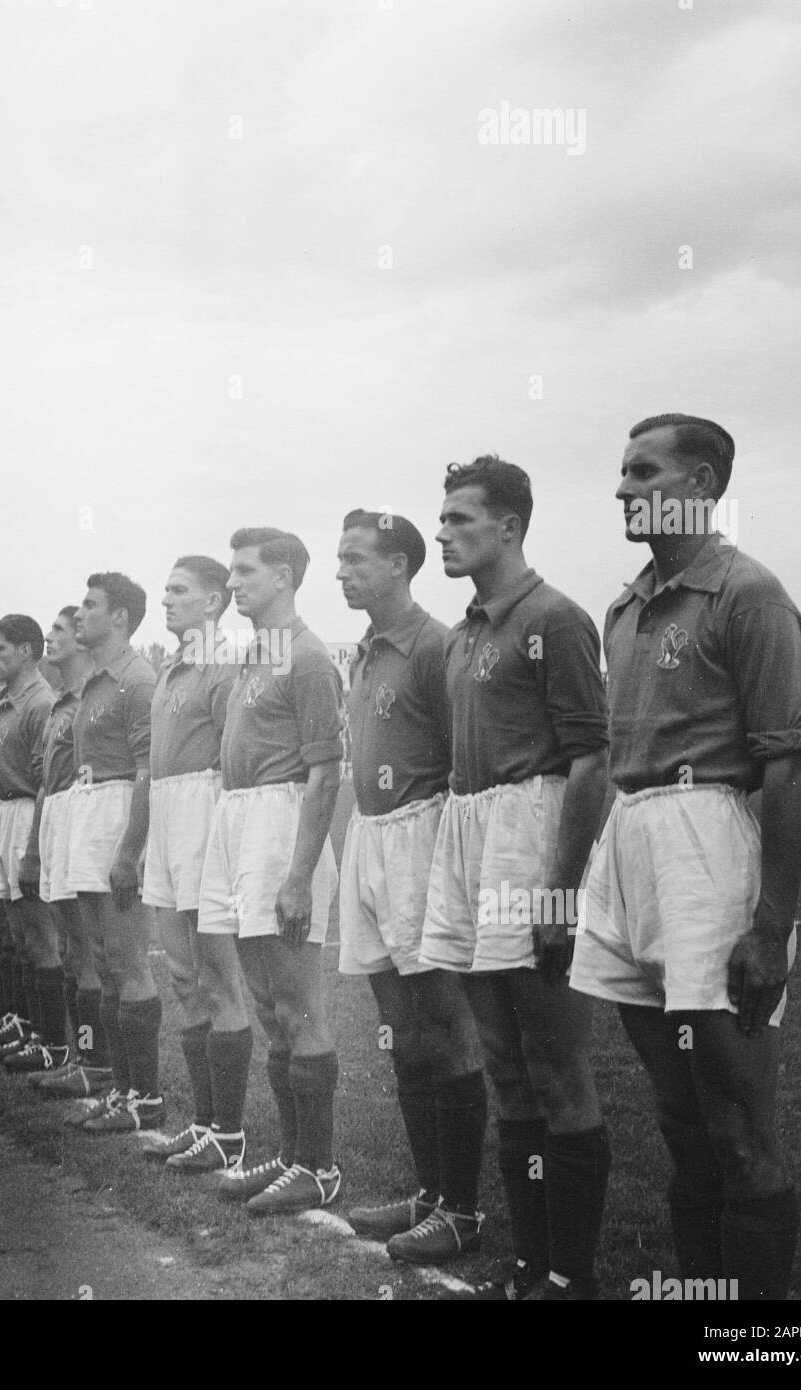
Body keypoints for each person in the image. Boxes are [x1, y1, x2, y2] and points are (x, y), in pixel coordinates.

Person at [570, 414, 801, 1301]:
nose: (625, 489)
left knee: (740, 1128)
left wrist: (770, 924)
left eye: (644, 472)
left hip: (706, 849)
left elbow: (786, 768)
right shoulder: (624, 607)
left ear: (703, 484)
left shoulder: (747, 593)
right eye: (622, 472)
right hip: (630, 842)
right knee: (681, 1123)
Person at [421, 456, 611, 1300]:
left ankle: (572, 1272)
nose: (443, 533)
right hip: (469, 834)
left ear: (509, 526)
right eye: (443, 518)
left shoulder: (557, 619)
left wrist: (560, 890)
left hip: (529, 837)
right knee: (504, 1067)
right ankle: (531, 1261)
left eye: (461, 519)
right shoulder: (465, 631)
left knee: (557, 1067)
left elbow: (591, 761)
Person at [334, 510, 490, 1262]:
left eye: (357, 559)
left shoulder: (436, 646)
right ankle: (428, 1194)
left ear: (398, 565)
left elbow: (463, 761)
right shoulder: (363, 652)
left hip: (422, 839)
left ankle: (461, 1209)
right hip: (370, 839)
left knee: (447, 1027)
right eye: (339, 558)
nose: (342, 571)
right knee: (401, 1033)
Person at [198, 528, 344, 1215]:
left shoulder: (310, 657)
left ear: (284, 576)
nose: (232, 585)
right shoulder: (256, 655)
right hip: (241, 821)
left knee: (298, 1004)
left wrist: (297, 876)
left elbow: (324, 775)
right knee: (267, 1010)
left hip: (282, 827)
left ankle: (319, 1166)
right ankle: (291, 1158)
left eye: (245, 571)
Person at [139, 557, 252, 1173]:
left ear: (213, 602)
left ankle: (230, 1133)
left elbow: (235, 756)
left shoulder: (226, 664)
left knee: (217, 977)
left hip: (205, 810)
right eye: (166, 589)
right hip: (166, 810)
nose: (167, 599)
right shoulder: (170, 666)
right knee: (182, 976)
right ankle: (205, 1121)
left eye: (179, 591)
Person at [65, 574, 162, 1133]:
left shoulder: (136, 680)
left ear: (121, 617)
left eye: (91, 605)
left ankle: (146, 1096)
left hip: (118, 810)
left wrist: (129, 850)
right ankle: (123, 1088)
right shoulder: (96, 681)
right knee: (102, 961)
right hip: (88, 809)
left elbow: (147, 772)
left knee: (127, 960)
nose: (81, 614)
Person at [0, 614, 65, 1057]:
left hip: (26, 815)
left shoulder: (41, 703)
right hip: (1, 814)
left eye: (0, 649)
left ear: (26, 651)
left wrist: (34, 849)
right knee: (13, 931)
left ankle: (53, 1043)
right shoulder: (5, 700)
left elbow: (45, 781)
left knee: (39, 933)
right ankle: (24, 1025)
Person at [20, 608, 114, 1097]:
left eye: (58, 630)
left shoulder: (91, 700)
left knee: (90, 951)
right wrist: (36, 847)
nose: (51, 638)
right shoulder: (61, 704)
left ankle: (98, 1064)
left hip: (81, 818)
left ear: (81, 639)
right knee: (75, 953)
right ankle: (83, 1055)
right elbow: (43, 781)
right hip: (55, 819)